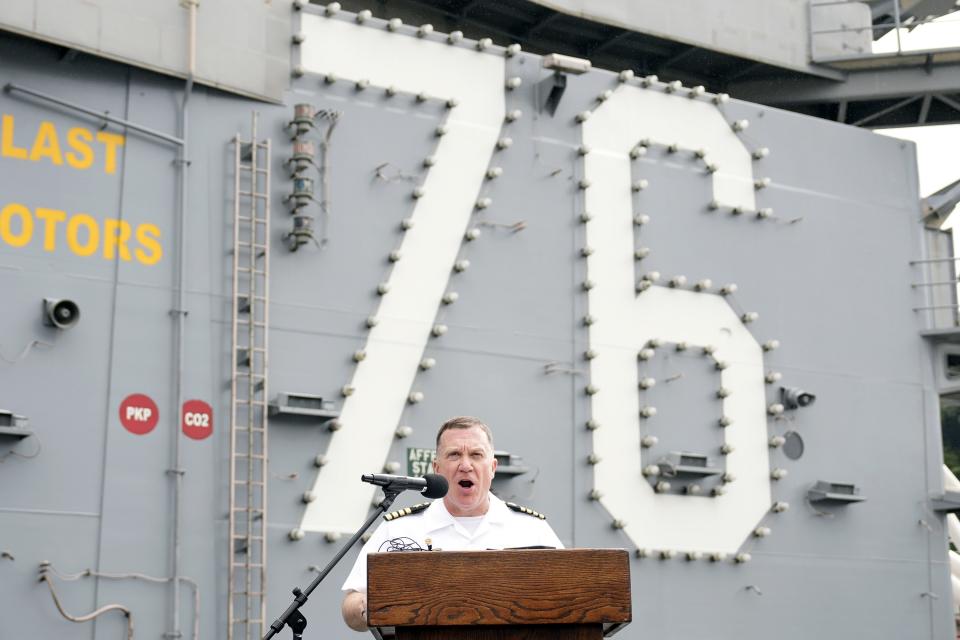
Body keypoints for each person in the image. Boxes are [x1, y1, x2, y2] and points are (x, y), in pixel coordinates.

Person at [340, 416, 563, 631]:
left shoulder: (533, 529)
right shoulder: (399, 529)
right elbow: (352, 602)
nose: (465, 465)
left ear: (493, 467)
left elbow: (569, 596)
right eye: (454, 454)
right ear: (437, 468)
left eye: (476, 454)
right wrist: (370, 608)